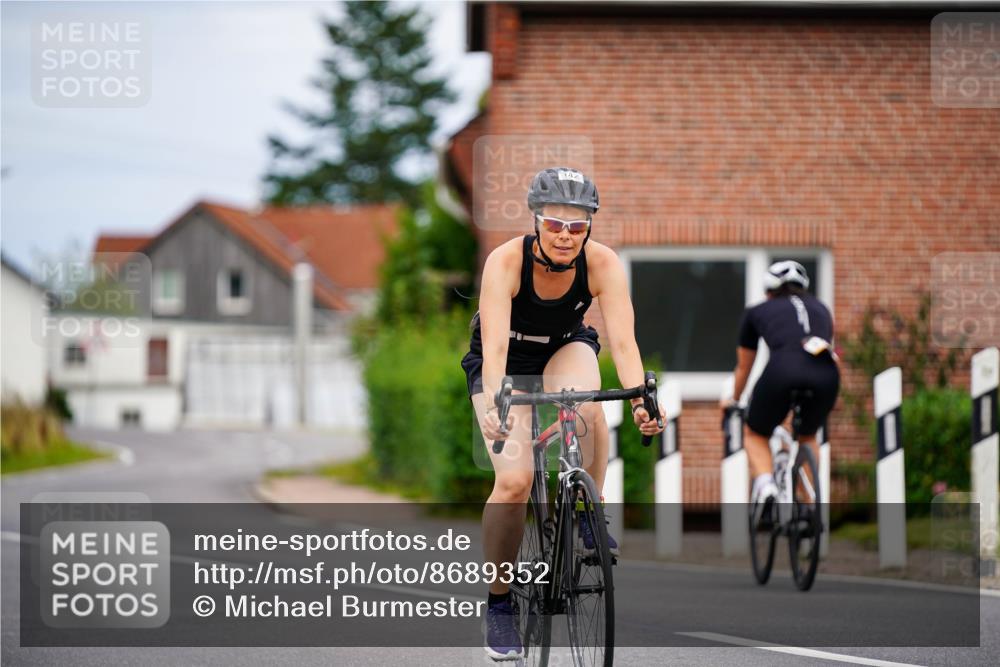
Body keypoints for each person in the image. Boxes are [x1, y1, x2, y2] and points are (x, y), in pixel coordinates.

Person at [462, 167, 665, 661]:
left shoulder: (602, 264)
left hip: (564, 347)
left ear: (590, 227)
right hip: (506, 358)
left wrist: (640, 398)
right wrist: (493, 403)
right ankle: (500, 604)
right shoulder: (506, 261)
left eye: (577, 226)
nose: (565, 236)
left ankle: (583, 514)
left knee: (588, 405)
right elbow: (491, 349)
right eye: (555, 224)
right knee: (513, 480)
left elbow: (622, 340)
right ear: (536, 220)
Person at [722, 260, 840, 518]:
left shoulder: (758, 311)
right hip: (827, 373)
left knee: (754, 433)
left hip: (782, 370)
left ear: (769, 289)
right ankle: (809, 505)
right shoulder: (822, 308)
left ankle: (766, 487)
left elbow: (745, 367)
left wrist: (733, 398)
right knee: (808, 436)